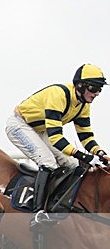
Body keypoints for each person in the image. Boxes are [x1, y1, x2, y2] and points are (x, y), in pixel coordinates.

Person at [6, 64, 109, 230]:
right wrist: (85, 156)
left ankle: (57, 206)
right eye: (94, 88)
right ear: (80, 85)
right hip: (20, 125)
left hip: (40, 130)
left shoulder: (84, 105)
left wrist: (100, 153)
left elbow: (86, 137)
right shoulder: (58, 95)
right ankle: (38, 213)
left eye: (100, 89)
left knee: (72, 165)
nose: (96, 93)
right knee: (48, 162)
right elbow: (56, 138)